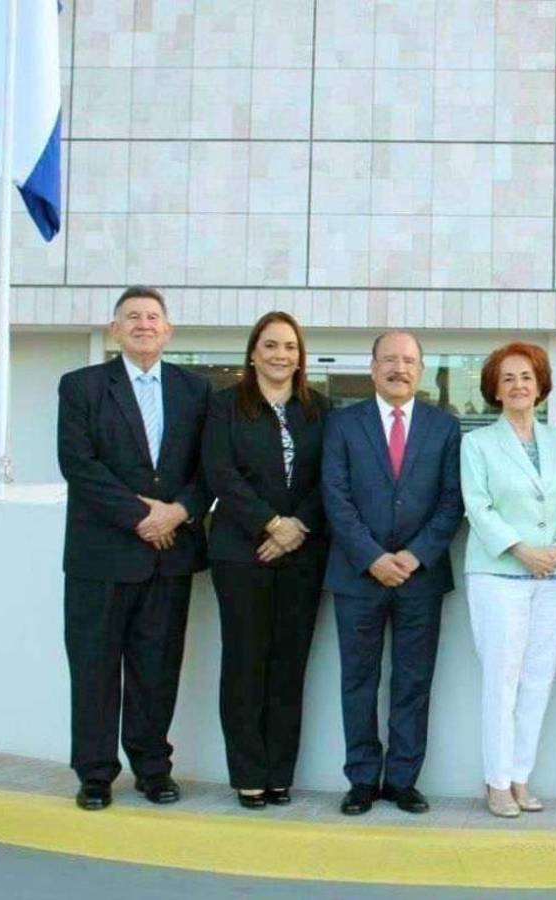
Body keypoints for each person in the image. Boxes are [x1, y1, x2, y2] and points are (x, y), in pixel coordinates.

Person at [58, 285, 211, 811]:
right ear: (114, 329)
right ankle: (95, 774)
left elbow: (207, 469)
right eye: (133, 317)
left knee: (157, 670)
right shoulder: (81, 387)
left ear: (168, 330)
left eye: (153, 317)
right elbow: (79, 465)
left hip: (170, 557)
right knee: (95, 670)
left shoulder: (197, 390)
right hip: (100, 558)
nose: (144, 324)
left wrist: (179, 511)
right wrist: (144, 516)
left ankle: (152, 769)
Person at [321, 331, 463, 816]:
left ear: (420, 369)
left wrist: (415, 554)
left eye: (408, 361)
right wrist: (373, 557)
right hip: (358, 575)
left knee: (413, 680)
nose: (398, 368)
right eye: (389, 360)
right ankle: (362, 779)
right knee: (358, 680)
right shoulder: (342, 424)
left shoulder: (445, 428)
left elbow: (451, 501)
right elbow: (334, 497)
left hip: (420, 577)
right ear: (372, 367)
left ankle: (403, 779)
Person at [202, 311, 331, 809]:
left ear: (300, 358)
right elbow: (220, 472)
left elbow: (331, 478)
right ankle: (248, 774)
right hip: (242, 553)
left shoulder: (319, 408)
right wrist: (270, 524)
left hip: (303, 555)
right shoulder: (224, 406)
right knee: (244, 663)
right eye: (272, 346)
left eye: (291, 348)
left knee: (288, 667)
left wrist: (297, 526)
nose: (282, 355)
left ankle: (280, 774)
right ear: (253, 352)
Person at [460, 342, 556, 817]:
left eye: (527, 377)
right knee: (502, 679)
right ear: (494, 387)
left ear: (541, 386)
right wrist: (521, 550)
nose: (518, 385)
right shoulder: (476, 444)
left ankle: (520, 778)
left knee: (537, 680)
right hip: (499, 575)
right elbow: (478, 506)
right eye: (509, 377)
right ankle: (495, 781)